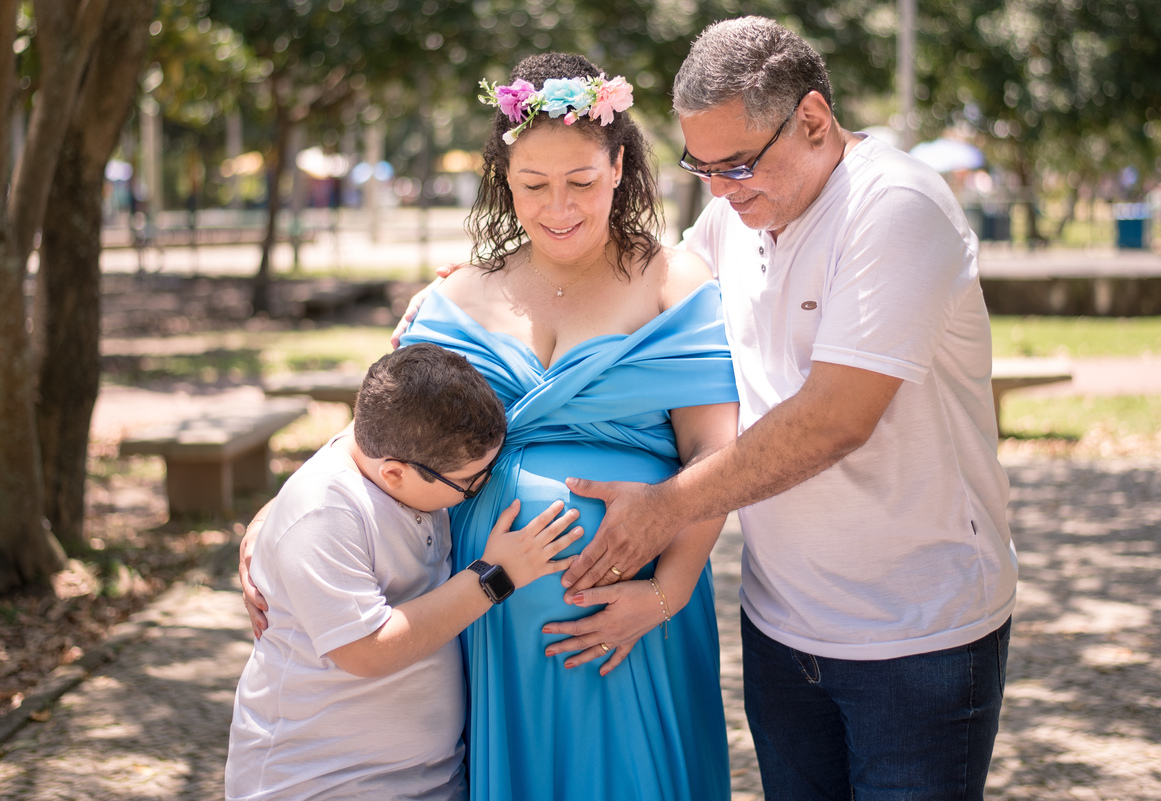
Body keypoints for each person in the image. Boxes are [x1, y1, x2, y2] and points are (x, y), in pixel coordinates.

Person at [244, 53, 739, 801]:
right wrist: (276, 518)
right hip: (491, 623)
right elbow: (387, 430)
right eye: (533, 185)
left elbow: (717, 456)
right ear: (505, 181)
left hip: (632, 614)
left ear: (618, 168)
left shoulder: (676, 284)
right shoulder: (457, 297)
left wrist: (663, 593)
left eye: (580, 181)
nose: (558, 207)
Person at [553, 17, 1018, 800]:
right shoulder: (737, 213)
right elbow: (642, 286)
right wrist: (486, 290)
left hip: (919, 637)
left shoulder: (895, 207)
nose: (724, 190)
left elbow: (835, 417)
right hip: (780, 630)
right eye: (703, 169)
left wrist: (663, 509)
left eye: (738, 164)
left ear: (812, 119)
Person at [226, 344, 583, 800]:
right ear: (393, 473)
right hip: (321, 781)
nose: (482, 486)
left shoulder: (404, 456)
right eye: (471, 481)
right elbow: (368, 651)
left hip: (429, 777)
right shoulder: (325, 513)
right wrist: (496, 575)